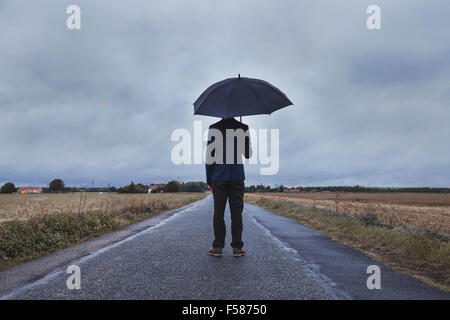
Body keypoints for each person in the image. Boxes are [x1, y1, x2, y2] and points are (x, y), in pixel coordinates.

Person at [205, 117, 252, 257]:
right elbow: (248, 154)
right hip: (237, 177)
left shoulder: (213, 128)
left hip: (218, 177)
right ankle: (237, 248)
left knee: (218, 213)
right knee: (236, 213)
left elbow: (209, 157)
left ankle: (218, 247)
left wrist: (209, 179)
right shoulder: (243, 127)